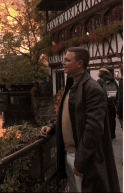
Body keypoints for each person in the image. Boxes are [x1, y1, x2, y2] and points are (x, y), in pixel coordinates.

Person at [40, 47, 120, 192]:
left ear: (79, 63)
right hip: (70, 154)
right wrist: (53, 127)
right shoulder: (72, 86)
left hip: (82, 157)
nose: (63, 62)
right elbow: (70, 115)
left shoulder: (92, 88)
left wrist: (80, 161)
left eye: (67, 60)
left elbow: (93, 129)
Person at [97, 68, 118, 140]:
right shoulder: (113, 80)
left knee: (106, 120)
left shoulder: (100, 81)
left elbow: (98, 93)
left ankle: (107, 136)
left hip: (104, 103)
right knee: (112, 119)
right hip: (112, 103)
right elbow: (117, 92)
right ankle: (113, 135)